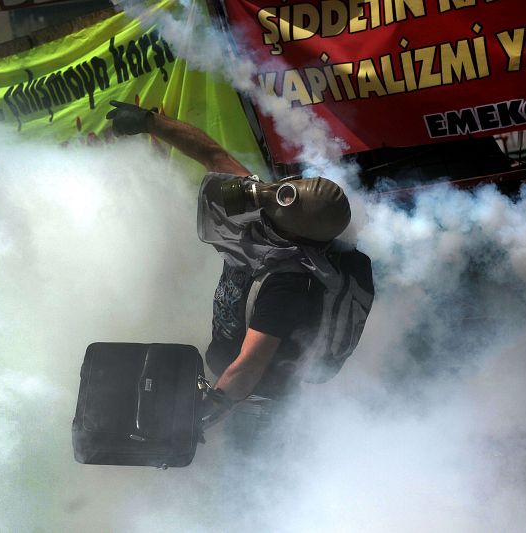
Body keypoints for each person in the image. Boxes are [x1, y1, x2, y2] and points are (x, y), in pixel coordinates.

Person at [106, 101, 351, 440]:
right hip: (228, 378)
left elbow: (249, 367)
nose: (264, 199)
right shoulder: (271, 211)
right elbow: (212, 154)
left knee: (249, 468)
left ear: (298, 232)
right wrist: (150, 122)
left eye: (278, 203)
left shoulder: (290, 284)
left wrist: (196, 419)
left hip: (258, 402)